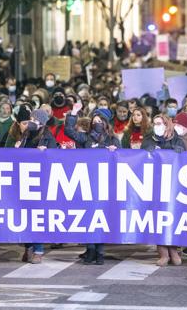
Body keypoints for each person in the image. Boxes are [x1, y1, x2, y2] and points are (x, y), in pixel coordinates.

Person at [65, 103, 120, 265]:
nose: (97, 123)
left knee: (101, 219)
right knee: (89, 218)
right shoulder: (86, 138)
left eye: (99, 121)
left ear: (105, 123)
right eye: (94, 120)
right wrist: (73, 113)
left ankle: (100, 252)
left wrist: (114, 151)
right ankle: (90, 250)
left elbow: (123, 160)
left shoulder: (113, 139)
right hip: (88, 183)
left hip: (104, 184)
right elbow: (69, 131)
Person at [141, 114, 186, 266]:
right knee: (158, 218)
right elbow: (144, 155)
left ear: (167, 125)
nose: (157, 126)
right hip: (154, 184)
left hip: (173, 184)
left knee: (172, 218)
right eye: (155, 123)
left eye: (160, 123)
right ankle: (163, 253)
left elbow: (181, 154)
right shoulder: (148, 139)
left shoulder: (177, 139)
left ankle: (174, 251)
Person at [15, 109, 58, 263]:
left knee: (37, 217)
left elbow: (55, 157)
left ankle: (38, 250)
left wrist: (45, 152)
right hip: (26, 179)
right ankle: (28, 247)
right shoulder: (26, 134)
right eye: (31, 118)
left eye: (34, 119)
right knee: (26, 216)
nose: (31, 121)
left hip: (40, 181)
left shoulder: (47, 137)